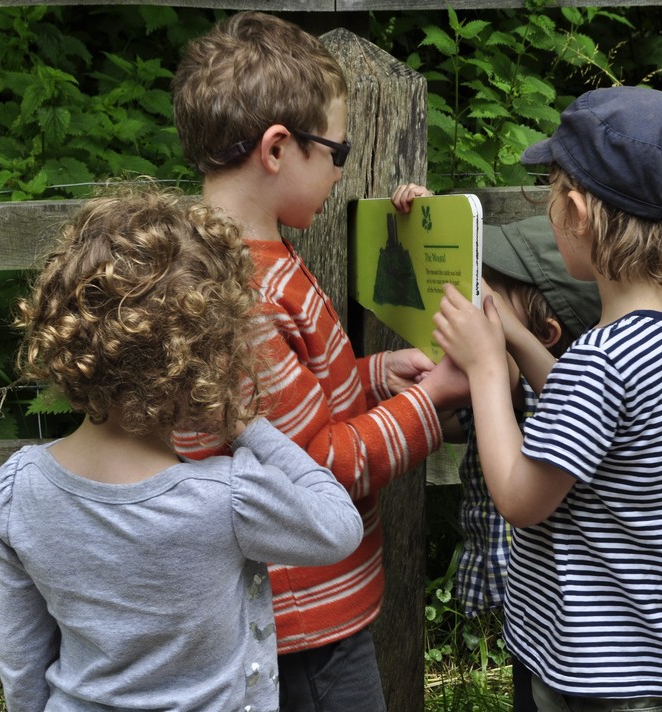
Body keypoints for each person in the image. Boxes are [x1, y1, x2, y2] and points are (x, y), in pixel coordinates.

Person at [170, 12, 469, 711]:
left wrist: (375, 376)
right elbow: (317, 467)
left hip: (289, 601)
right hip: (302, 620)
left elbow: (279, 414)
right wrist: (432, 403)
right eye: (337, 151)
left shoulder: (226, 263)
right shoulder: (246, 296)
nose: (342, 170)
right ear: (278, 149)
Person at [0, 183, 365, 712]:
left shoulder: (17, 488)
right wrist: (246, 427)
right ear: (206, 356)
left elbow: (22, 664)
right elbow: (340, 527)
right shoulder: (227, 498)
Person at [432, 86, 662, 711]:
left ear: (577, 212)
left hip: (594, 671)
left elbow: (520, 500)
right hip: (657, 648)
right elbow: (588, 411)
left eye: (551, 194)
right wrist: (515, 337)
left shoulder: (601, 361)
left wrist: (487, 369)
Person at [393, 184, 602, 712]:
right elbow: (449, 413)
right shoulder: (513, 381)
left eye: (488, 297)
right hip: (541, 622)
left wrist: (487, 361)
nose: (471, 303)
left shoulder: (537, 389)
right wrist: (433, 223)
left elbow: (505, 390)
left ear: (545, 333)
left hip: (586, 642)